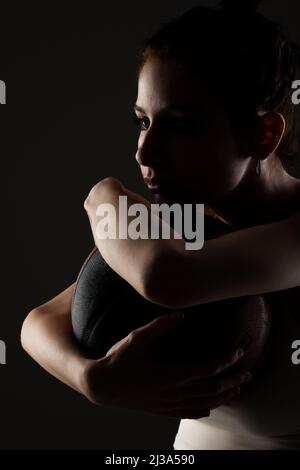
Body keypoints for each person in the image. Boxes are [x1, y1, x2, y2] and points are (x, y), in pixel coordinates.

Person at [21, 0, 300, 449]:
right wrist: (89, 378)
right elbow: (41, 321)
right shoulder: (180, 224)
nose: (144, 153)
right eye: (142, 121)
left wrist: (103, 197)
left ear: (263, 134)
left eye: (180, 126)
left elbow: (167, 278)